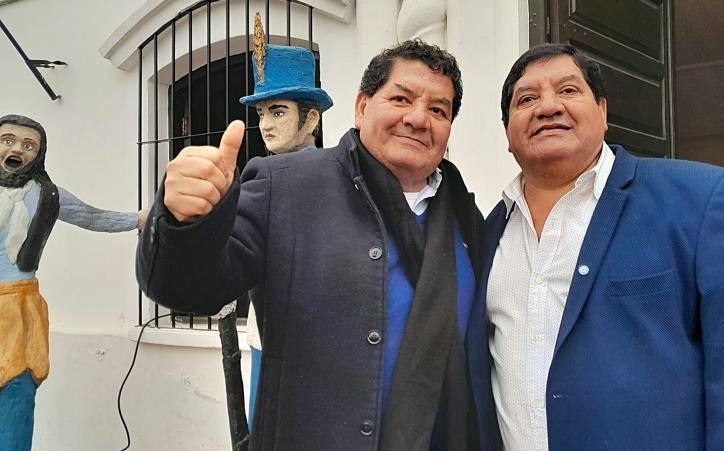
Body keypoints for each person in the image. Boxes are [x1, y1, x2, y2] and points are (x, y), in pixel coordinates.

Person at [137, 39, 484, 451]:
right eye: (400, 98)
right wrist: (184, 222)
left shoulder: (464, 215)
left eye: (438, 110)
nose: (418, 118)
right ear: (361, 107)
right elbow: (189, 288)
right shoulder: (284, 186)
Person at [466, 43, 724, 451]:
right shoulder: (486, 232)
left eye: (568, 90)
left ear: (603, 113)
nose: (548, 107)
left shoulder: (702, 200)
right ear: (507, 133)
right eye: (527, 99)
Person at [0, 114, 144, 451]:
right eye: (8, 140)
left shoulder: (47, 195)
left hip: (18, 309)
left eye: (28, 145)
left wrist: (139, 219)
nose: (17, 149)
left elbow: (91, 216)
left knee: (16, 394)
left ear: (39, 154)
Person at [233, 25, 334, 429]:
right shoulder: (260, 177)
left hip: (316, 340)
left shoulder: (335, 177)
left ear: (311, 118)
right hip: (264, 333)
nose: (266, 125)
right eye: (261, 114)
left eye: (278, 112)